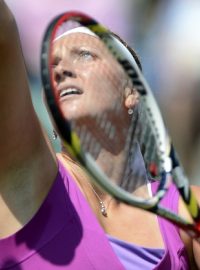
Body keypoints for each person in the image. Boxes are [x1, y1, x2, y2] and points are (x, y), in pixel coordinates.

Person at [0, 1, 200, 269]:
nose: (59, 71)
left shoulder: (186, 209)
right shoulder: (34, 178)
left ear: (131, 91)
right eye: (51, 68)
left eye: (84, 55)